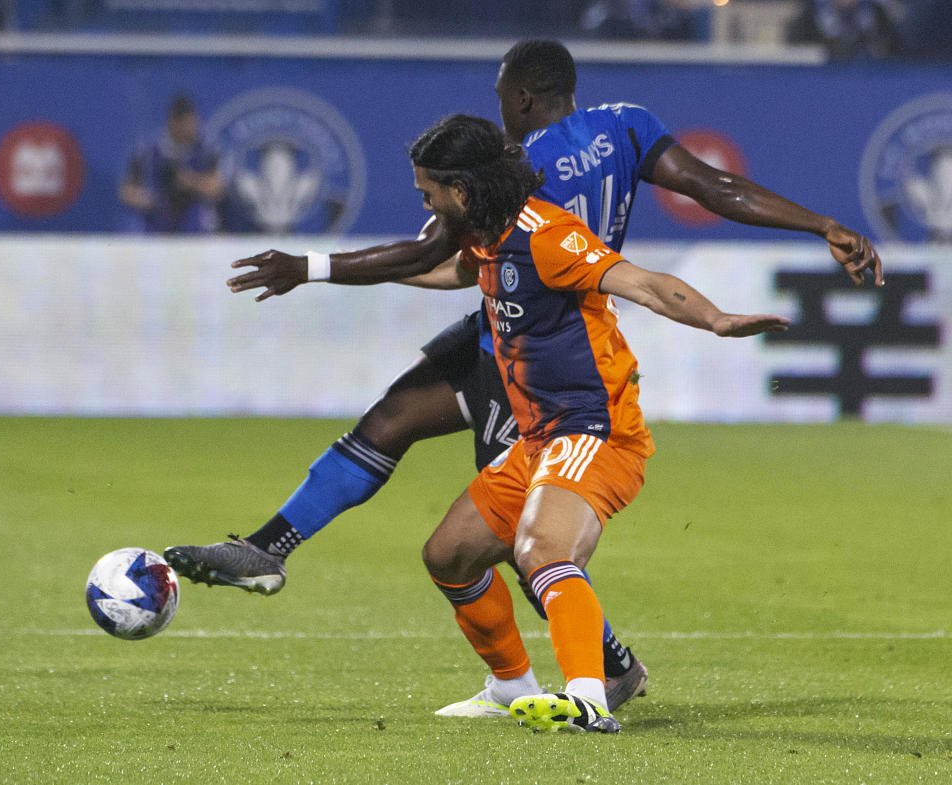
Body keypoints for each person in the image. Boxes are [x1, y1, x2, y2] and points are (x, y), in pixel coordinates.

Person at [165, 39, 883, 716]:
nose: (501, 108)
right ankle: (270, 547)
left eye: (505, 95)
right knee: (396, 424)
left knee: (525, 535)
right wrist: (820, 223)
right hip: (509, 311)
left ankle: (603, 670)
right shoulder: (627, 128)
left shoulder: (513, 172)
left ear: (529, 99)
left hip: (540, 341)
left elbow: (435, 254)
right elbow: (715, 186)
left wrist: (315, 268)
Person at [399, 113, 788, 734]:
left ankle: (588, 697)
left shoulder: (546, 234)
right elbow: (436, 268)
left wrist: (716, 319)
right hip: (539, 439)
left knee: (543, 549)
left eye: (429, 192)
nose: (424, 204)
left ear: (462, 191)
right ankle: (509, 685)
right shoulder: (484, 238)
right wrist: (325, 269)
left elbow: (643, 283)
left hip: (594, 430)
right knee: (450, 555)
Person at [119, 95, 225, 233]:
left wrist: (190, 182)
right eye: (187, 123)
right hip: (154, 227)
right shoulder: (147, 150)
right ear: (174, 122)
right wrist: (148, 199)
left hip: (197, 228)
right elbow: (126, 192)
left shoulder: (207, 149)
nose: (193, 127)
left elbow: (217, 188)